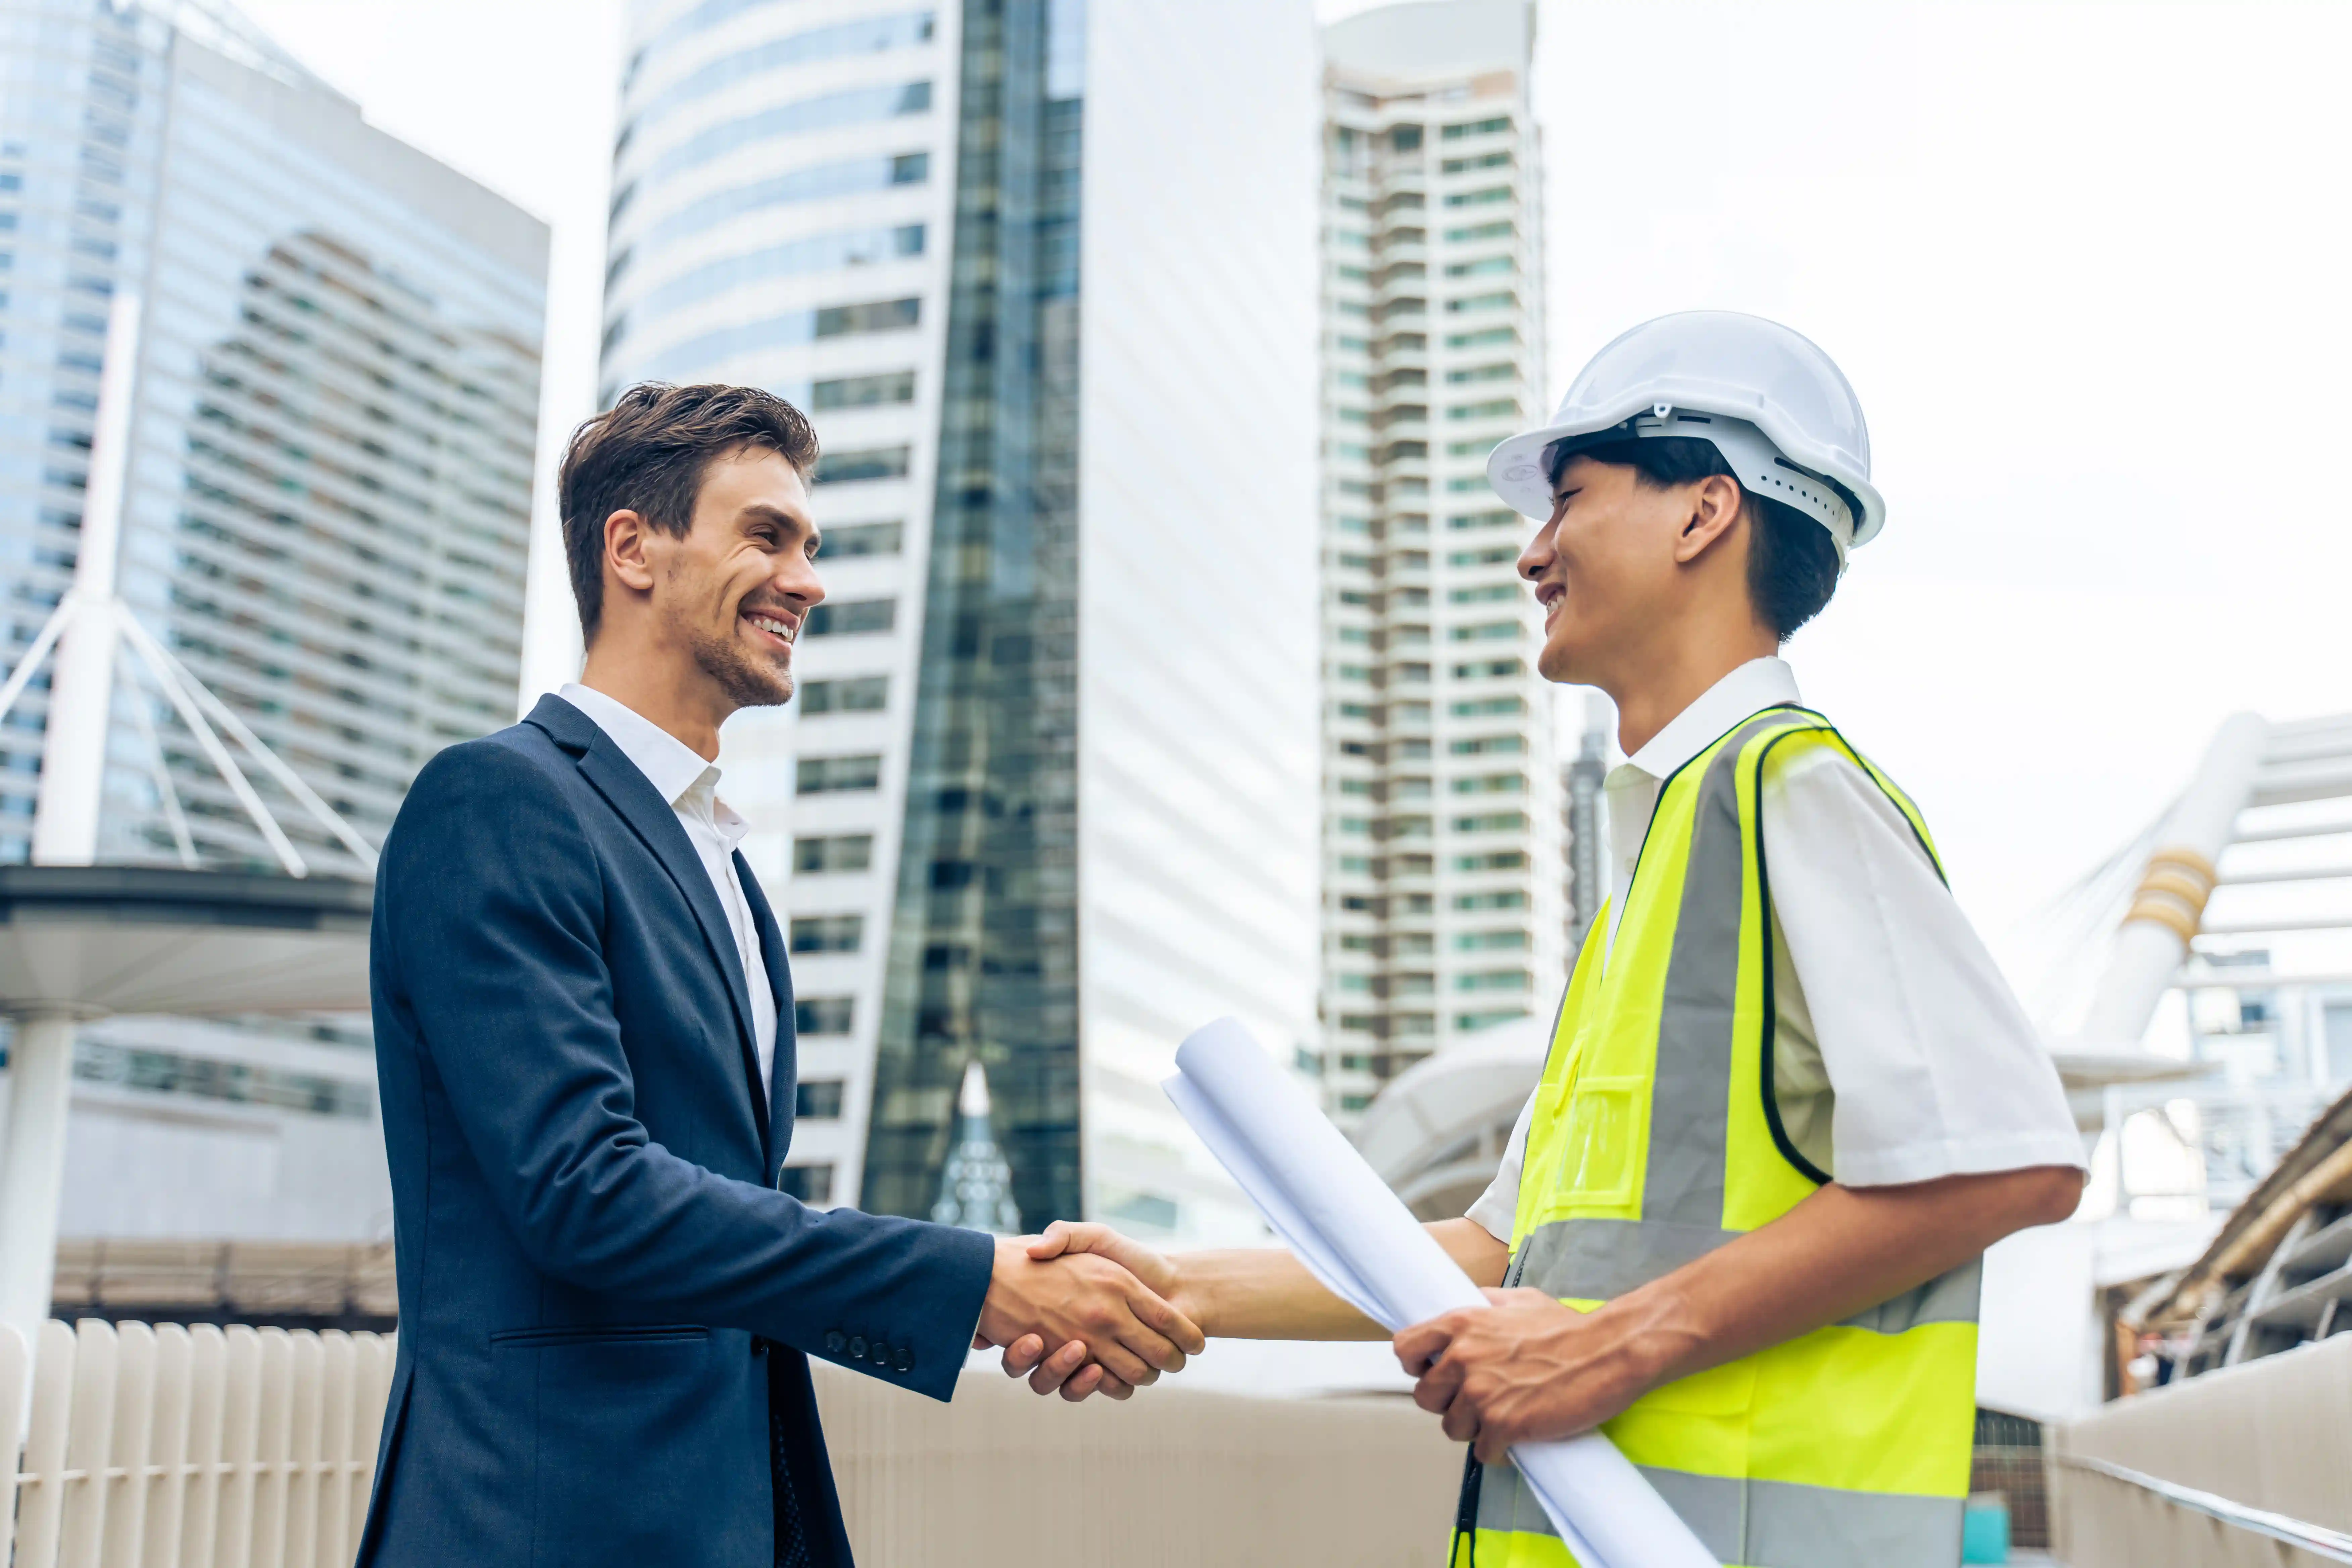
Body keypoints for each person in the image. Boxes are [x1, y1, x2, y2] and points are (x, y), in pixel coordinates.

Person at [1009, 313, 2088, 1566]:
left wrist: (1612, 1341)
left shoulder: (1787, 787)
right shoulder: (1664, 859)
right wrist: (1175, 1288)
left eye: (1568, 500)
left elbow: (2010, 1161)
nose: (1534, 554)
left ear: (1703, 514)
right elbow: (1500, 1252)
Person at [359, 383, 1199, 1568]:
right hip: (538, 1521)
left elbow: (724, 1227)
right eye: (767, 536)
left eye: (811, 547)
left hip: (733, 1518)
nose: (807, 580)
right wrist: (976, 1284)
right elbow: (583, 1191)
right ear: (632, 548)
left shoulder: (729, 872)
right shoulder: (497, 800)